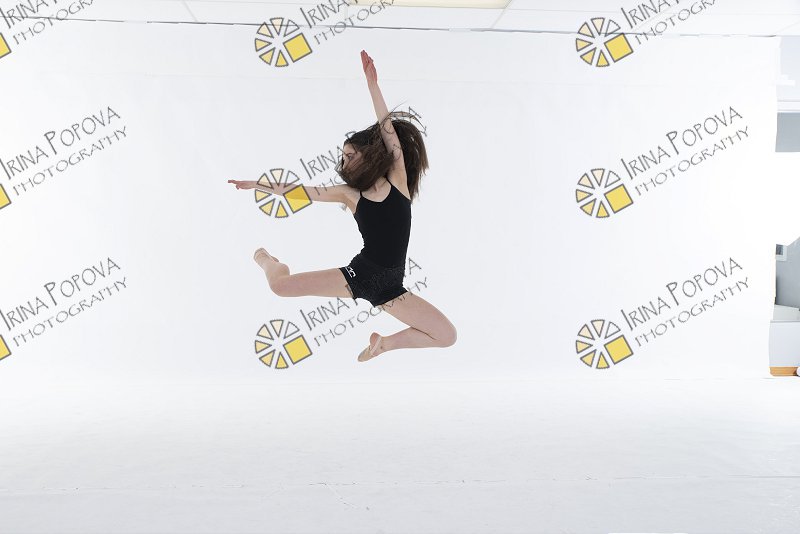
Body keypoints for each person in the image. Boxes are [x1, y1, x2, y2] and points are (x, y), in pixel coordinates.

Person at [228, 50, 457, 362]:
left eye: (350, 155)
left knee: (446, 335)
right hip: (359, 275)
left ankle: (384, 344)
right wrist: (258, 184)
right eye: (343, 157)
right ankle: (267, 260)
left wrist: (372, 84)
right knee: (280, 286)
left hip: (390, 288)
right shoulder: (349, 194)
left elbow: (387, 129)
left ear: (369, 153)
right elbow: (301, 192)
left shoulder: (398, 180)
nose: (345, 162)